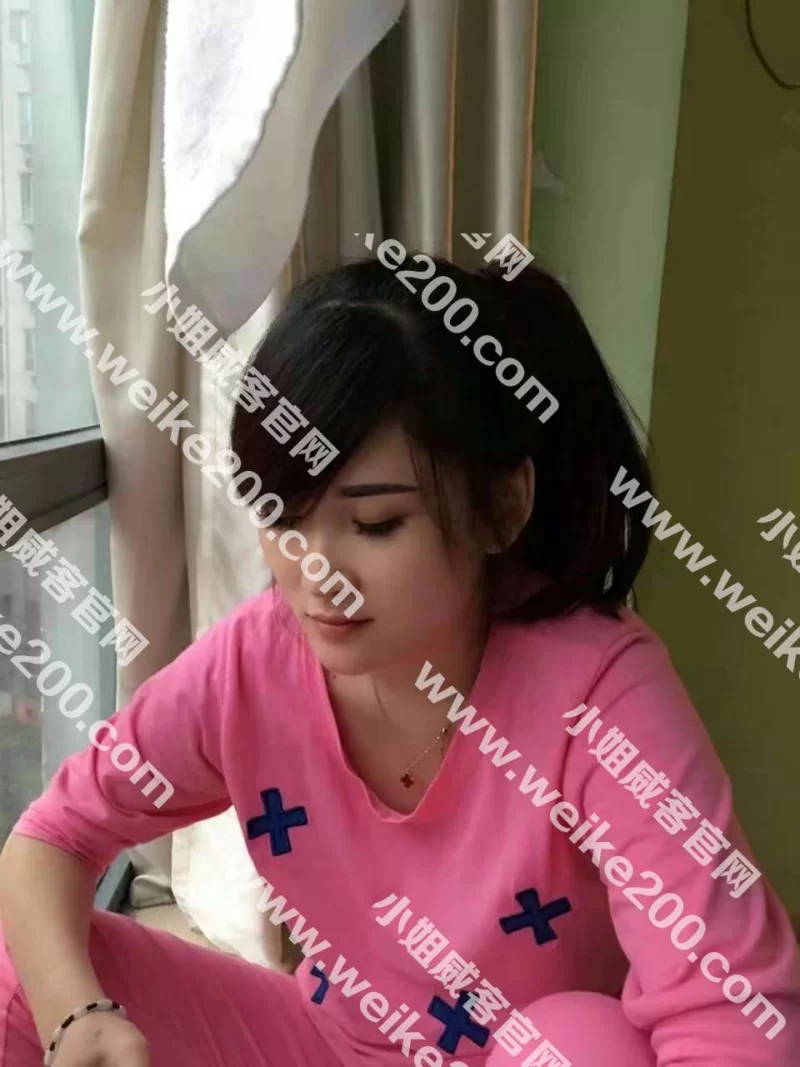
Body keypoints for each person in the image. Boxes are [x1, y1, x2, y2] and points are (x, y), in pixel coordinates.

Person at [0, 256, 798, 1067]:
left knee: (583, 1046)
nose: (314, 572)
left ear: (502, 508)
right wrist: (78, 1018)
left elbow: (735, 1015)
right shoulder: (254, 661)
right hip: (326, 1046)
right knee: (25, 963)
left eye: (376, 524)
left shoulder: (599, 690)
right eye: (282, 516)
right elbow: (53, 837)